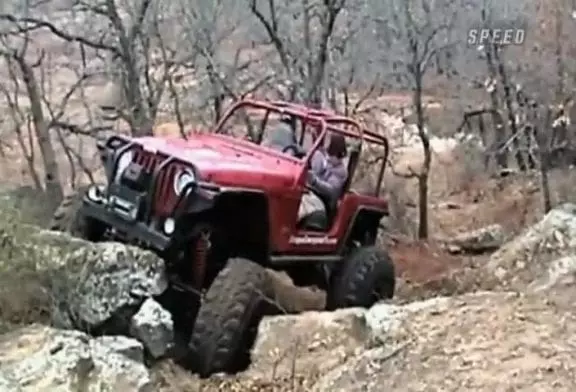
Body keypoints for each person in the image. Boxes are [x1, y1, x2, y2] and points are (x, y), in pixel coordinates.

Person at [298, 133, 348, 222]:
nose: (328, 157)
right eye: (327, 153)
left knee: (302, 206)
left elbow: (331, 191)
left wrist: (315, 181)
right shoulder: (329, 163)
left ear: (339, 154)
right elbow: (317, 171)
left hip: (324, 201)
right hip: (313, 193)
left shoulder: (341, 172)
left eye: (331, 154)